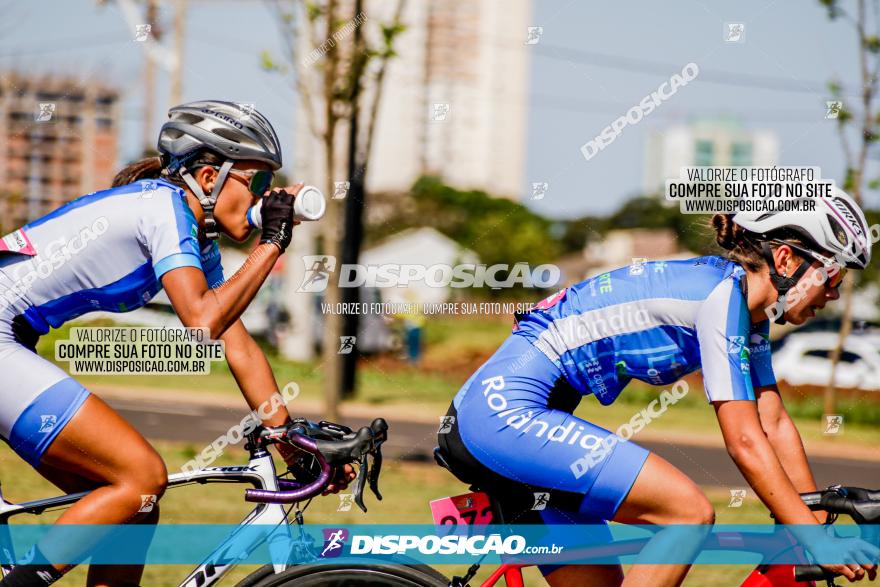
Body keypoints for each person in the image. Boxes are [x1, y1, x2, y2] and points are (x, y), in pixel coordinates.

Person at [438, 190, 877, 586]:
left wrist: (815, 526)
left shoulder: (748, 313)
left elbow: (773, 421)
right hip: (501, 417)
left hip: (508, 420)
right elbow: (744, 440)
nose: (836, 293)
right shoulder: (720, 299)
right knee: (687, 514)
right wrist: (813, 538)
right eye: (833, 275)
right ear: (785, 260)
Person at [0, 100, 354, 587]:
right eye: (254, 182)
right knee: (141, 476)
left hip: (14, 339)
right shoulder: (161, 207)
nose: (263, 194)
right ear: (208, 178)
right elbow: (201, 324)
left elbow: (236, 344)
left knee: (134, 506)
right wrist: (272, 241)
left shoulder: (193, 236)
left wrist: (288, 441)